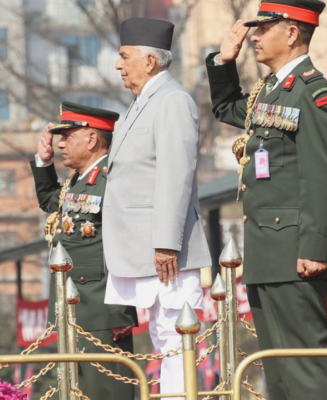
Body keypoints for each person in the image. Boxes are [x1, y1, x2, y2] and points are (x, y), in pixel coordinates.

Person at [205, 1, 327, 399]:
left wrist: (315, 246)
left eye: (264, 29)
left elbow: (323, 174)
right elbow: (228, 108)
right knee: (279, 373)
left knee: (305, 369)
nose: (255, 37)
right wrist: (222, 62)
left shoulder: (313, 92)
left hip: (297, 253)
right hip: (267, 250)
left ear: (292, 33)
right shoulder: (270, 89)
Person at [102, 17, 212, 397]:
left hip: (166, 250)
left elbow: (175, 174)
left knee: (175, 334)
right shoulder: (142, 102)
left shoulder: (172, 100)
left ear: (149, 61)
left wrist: (167, 241)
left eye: (124, 56)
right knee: (162, 334)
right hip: (142, 247)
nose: (119, 65)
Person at [31, 102, 137, 400]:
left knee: (107, 391)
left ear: (91, 140)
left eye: (68, 137)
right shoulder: (78, 181)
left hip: (102, 311)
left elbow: (120, 244)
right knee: (76, 390)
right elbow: (54, 204)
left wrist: (120, 310)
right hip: (74, 308)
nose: (60, 143)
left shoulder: (109, 179)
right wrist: (43, 162)